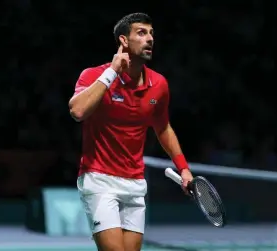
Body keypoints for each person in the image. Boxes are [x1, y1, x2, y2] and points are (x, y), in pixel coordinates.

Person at [68, 13, 193, 251]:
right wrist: (112, 72)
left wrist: (184, 168)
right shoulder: (93, 75)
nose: (150, 39)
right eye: (142, 33)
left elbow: (163, 128)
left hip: (135, 183)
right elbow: (77, 111)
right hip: (99, 180)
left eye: (152, 33)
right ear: (124, 40)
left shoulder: (159, 85)